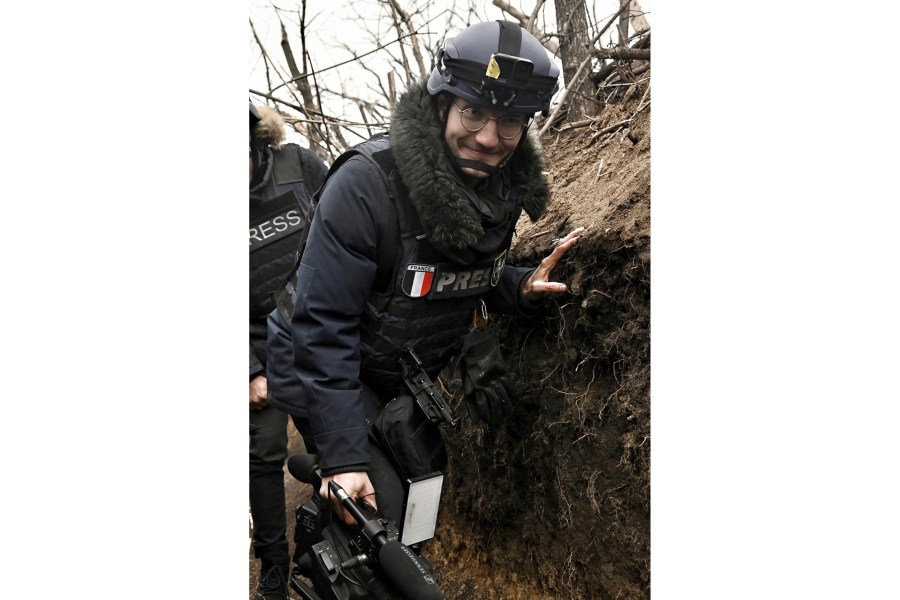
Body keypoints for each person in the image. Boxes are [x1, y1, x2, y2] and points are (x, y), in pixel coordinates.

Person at [266, 20, 583, 533]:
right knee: (375, 508)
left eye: (509, 122)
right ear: (441, 104)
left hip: (394, 359)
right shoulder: (366, 185)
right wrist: (344, 456)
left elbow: (444, 275)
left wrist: (516, 286)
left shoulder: (501, 186)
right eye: (474, 112)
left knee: (424, 491)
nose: (488, 137)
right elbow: (322, 328)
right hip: (320, 358)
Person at [249, 101, 328, 600]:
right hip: (255, 338)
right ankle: (274, 564)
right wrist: (248, 369)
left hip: (321, 327)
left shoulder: (300, 166)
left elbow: (346, 235)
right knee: (263, 453)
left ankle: (326, 547)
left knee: (339, 443)